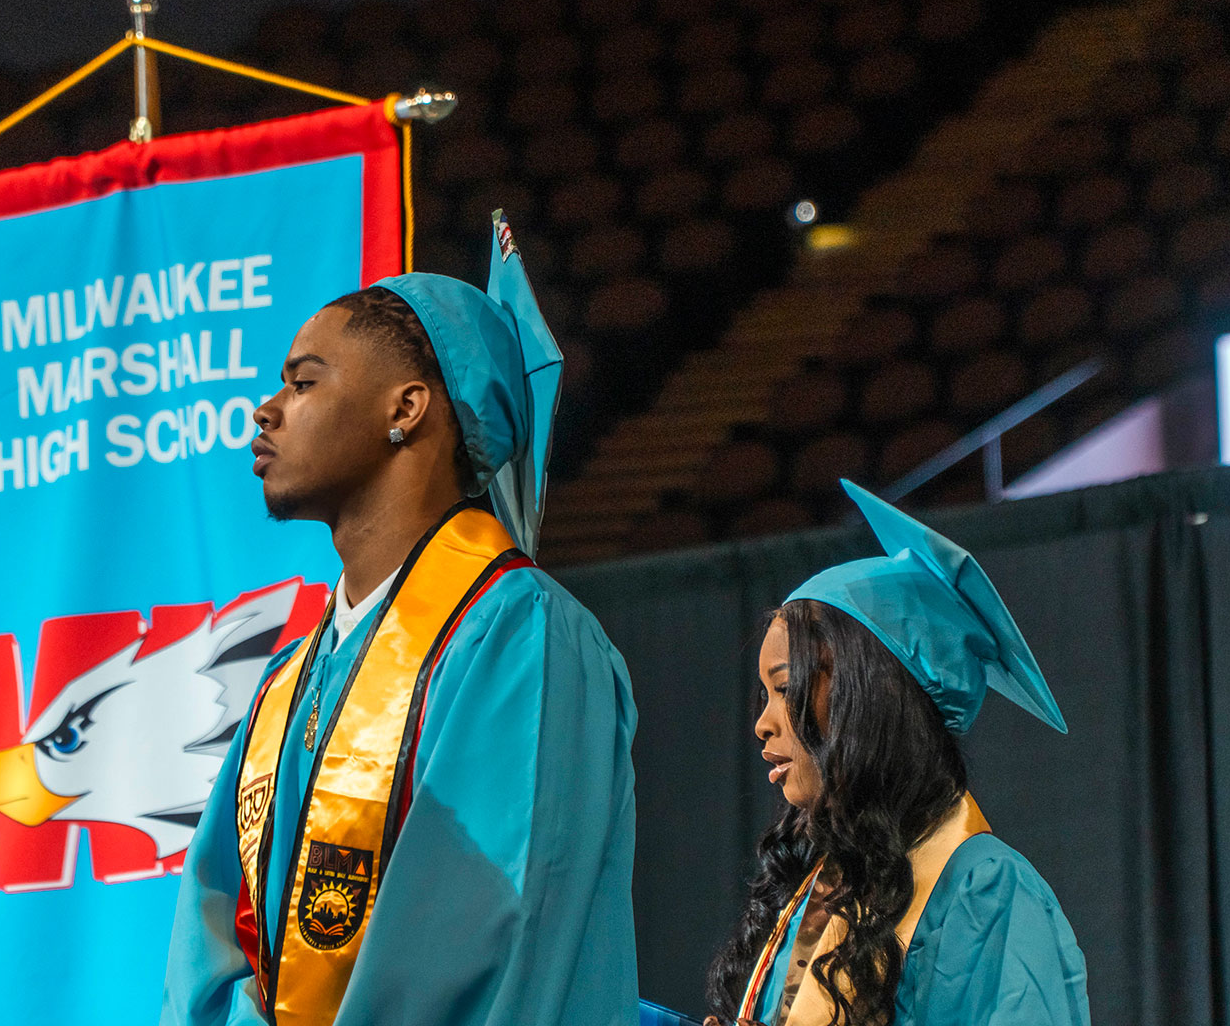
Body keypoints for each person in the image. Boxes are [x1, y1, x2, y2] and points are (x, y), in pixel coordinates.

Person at [159, 214, 638, 1026]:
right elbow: (216, 940)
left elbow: (491, 937)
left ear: (406, 407)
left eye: (303, 384)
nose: (264, 412)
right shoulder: (289, 683)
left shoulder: (524, 640)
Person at [705, 480, 1089, 1026]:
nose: (763, 725)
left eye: (786, 688)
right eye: (763, 696)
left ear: (871, 698)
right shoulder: (818, 888)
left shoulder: (987, 892)